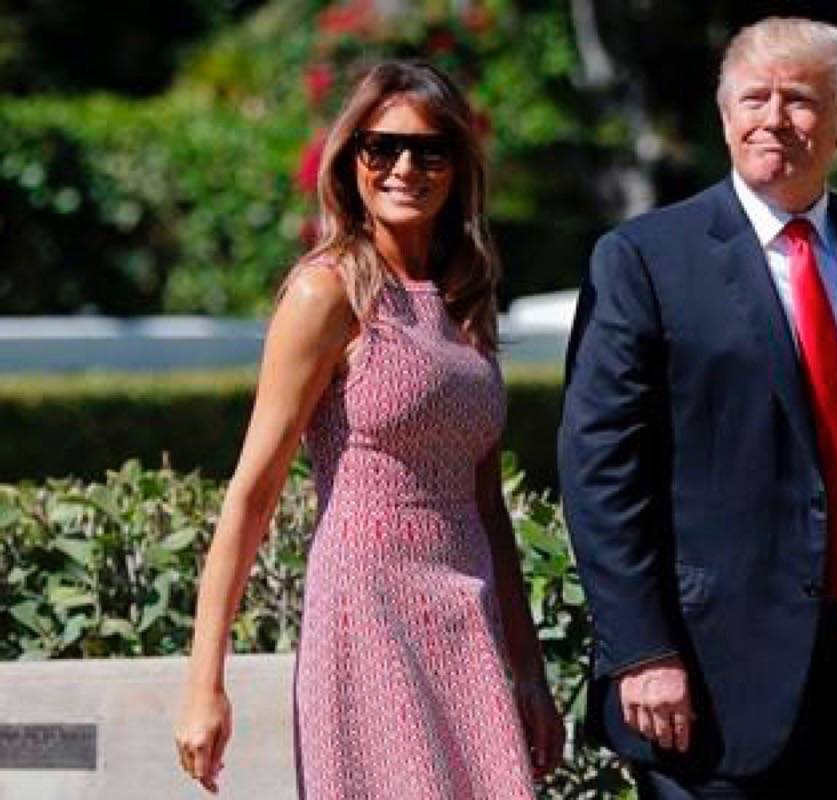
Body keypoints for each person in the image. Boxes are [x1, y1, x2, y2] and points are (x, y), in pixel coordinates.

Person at [558, 17, 837, 799]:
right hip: (703, 683)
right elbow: (600, 471)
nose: (774, 119)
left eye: (800, 100)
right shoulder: (643, 260)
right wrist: (640, 652)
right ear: (724, 113)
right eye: (754, 98)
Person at [174, 60, 563, 798]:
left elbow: (486, 505)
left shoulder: (465, 300)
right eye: (380, 148)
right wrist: (204, 685)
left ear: (457, 168)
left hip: (466, 615)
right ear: (349, 159)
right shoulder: (327, 291)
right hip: (368, 611)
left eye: (429, 150)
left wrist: (530, 669)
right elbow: (251, 494)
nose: (404, 167)